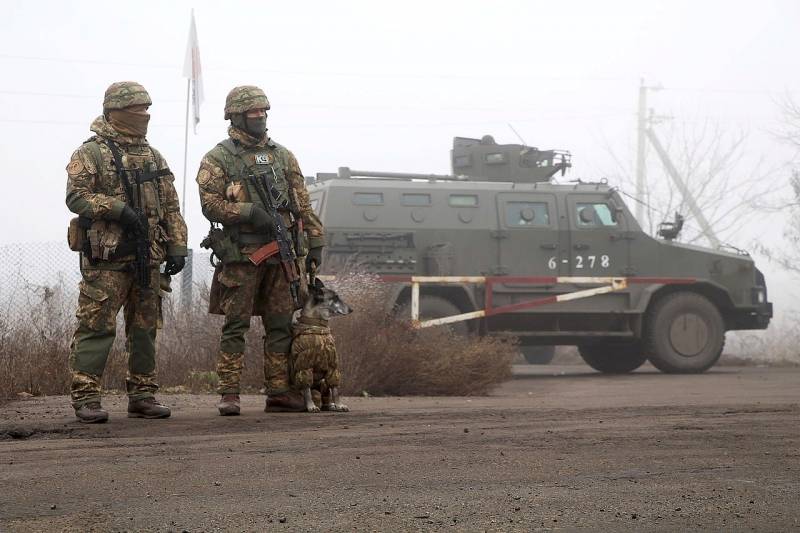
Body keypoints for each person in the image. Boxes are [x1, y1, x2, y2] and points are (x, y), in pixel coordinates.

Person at [196, 85, 325, 415]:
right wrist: (248, 212)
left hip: (282, 256)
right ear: (237, 115)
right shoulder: (219, 157)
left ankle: (279, 390)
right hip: (243, 256)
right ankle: (229, 393)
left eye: (263, 112)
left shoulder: (282, 155)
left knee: (280, 323)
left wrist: (314, 241)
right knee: (236, 325)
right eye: (253, 112)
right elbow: (209, 204)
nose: (260, 117)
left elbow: (302, 203)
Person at [65, 81, 188, 423]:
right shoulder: (90, 153)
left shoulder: (152, 154)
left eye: (147, 110)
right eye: (137, 110)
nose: (143, 116)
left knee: (145, 328)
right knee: (96, 326)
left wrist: (177, 246)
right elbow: (76, 197)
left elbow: (171, 206)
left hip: (147, 258)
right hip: (106, 261)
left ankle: (143, 395)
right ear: (115, 111)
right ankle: (86, 397)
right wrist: (117, 209)